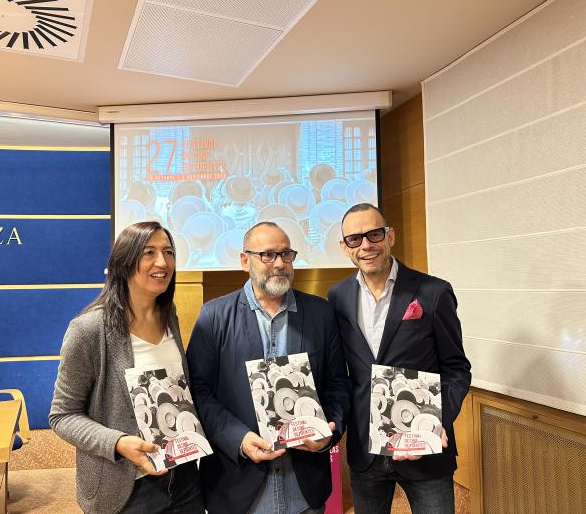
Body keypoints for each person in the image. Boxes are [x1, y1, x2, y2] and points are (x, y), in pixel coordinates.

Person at [186, 221, 350, 514]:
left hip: (305, 488)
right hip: (236, 485)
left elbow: (338, 383)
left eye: (286, 255)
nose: (279, 264)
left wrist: (329, 435)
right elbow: (198, 391)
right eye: (268, 255)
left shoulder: (320, 313)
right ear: (244, 259)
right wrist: (238, 439)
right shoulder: (213, 316)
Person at [49, 221, 204, 514]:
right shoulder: (88, 330)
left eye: (168, 252)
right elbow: (62, 415)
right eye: (149, 252)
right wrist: (118, 442)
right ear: (124, 262)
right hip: (126, 486)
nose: (162, 262)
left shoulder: (169, 315)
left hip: (182, 476)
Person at [327, 203, 471, 514]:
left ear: (390, 236)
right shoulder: (337, 297)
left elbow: (457, 369)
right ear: (344, 247)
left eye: (374, 234)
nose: (366, 245)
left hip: (425, 449)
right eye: (355, 239)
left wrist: (434, 422)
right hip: (366, 452)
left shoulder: (433, 292)